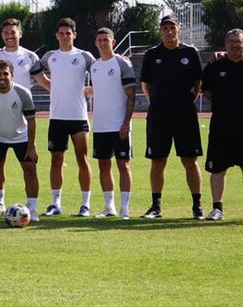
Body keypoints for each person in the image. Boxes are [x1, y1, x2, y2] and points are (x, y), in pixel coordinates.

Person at [140, 14, 205, 219]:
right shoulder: (152, 54)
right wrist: (157, 103)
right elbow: (145, 84)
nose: (169, 32)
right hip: (159, 116)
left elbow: (198, 83)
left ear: (179, 30)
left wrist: (187, 102)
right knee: (158, 161)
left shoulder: (190, 52)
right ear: (161, 31)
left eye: (172, 28)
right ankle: (156, 207)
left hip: (185, 116)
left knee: (190, 160)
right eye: (165, 28)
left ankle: (197, 206)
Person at [31, 18, 95, 217]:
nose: (65, 36)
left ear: (74, 35)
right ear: (56, 35)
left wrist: (93, 89)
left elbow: (101, 70)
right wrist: (51, 86)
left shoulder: (85, 56)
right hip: (57, 117)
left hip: (78, 116)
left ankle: (85, 204)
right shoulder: (50, 57)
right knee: (56, 160)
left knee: (82, 159)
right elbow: (34, 71)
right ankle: (55, 203)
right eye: (61, 33)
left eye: (69, 33)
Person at [0, 18, 41, 214]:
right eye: (6, 33)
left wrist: (69, 91)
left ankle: (33, 208)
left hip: (24, 123)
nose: (10, 36)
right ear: (2, 35)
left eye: (13, 32)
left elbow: (42, 80)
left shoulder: (30, 56)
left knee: (29, 166)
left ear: (20, 33)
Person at [0, 59, 40, 221]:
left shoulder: (23, 93)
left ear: (12, 75)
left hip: (22, 137)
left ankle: (32, 210)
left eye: (5, 73)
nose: (2, 77)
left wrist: (31, 146)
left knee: (30, 169)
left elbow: (32, 121)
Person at [87, 27, 136, 219]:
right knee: (103, 166)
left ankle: (125, 207)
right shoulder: (95, 66)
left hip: (119, 126)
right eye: (99, 40)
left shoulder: (122, 64)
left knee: (124, 166)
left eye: (106, 40)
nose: (102, 43)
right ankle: (109, 207)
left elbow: (131, 96)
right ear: (95, 43)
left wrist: (126, 123)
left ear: (113, 42)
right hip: (100, 125)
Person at [201, 28, 243, 221]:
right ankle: (217, 208)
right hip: (221, 126)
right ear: (225, 44)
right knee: (218, 169)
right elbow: (207, 91)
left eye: (239, 41)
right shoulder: (215, 66)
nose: (235, 44)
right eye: (232, 41)